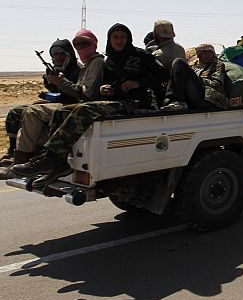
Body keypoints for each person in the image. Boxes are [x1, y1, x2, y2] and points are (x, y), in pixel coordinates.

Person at [12, 23, 168, 187]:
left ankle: (48, 159)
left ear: (128, 38)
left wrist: (138, 83)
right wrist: (103, 89)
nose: (119, 41)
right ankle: (57, 162)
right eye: (115, 37)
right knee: (62, 111)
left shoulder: (141, 55)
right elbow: (107, 85)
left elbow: (164, 75)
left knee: (85, 109)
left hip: (135, 102)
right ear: (109, 39)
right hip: (114, 101)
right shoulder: (110, 60)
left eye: (123, 37)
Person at [0, 39, 81, 168]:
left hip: (68, 104)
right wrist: (49, 82)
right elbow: (55, 90)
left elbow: (76, 94)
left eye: (62, 53)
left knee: (32, 112)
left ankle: (23, 158)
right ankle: (13, 151)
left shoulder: (77, 70)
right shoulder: (56, 69)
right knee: (15, 112)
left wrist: (59, 84)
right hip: (56, 101)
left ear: (69, 54)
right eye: (55, 54)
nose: (59, 57)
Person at [160, 43, 228, 111]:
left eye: (210, 52)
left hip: (207, 97)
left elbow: (217, 83)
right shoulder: (193, 66)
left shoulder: (217, 65)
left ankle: (178, 102)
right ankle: (174, 101)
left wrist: (200, 80)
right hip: (191, 97)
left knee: (179, 62)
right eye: (204, 52)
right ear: (199, 54)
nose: (207, 54)